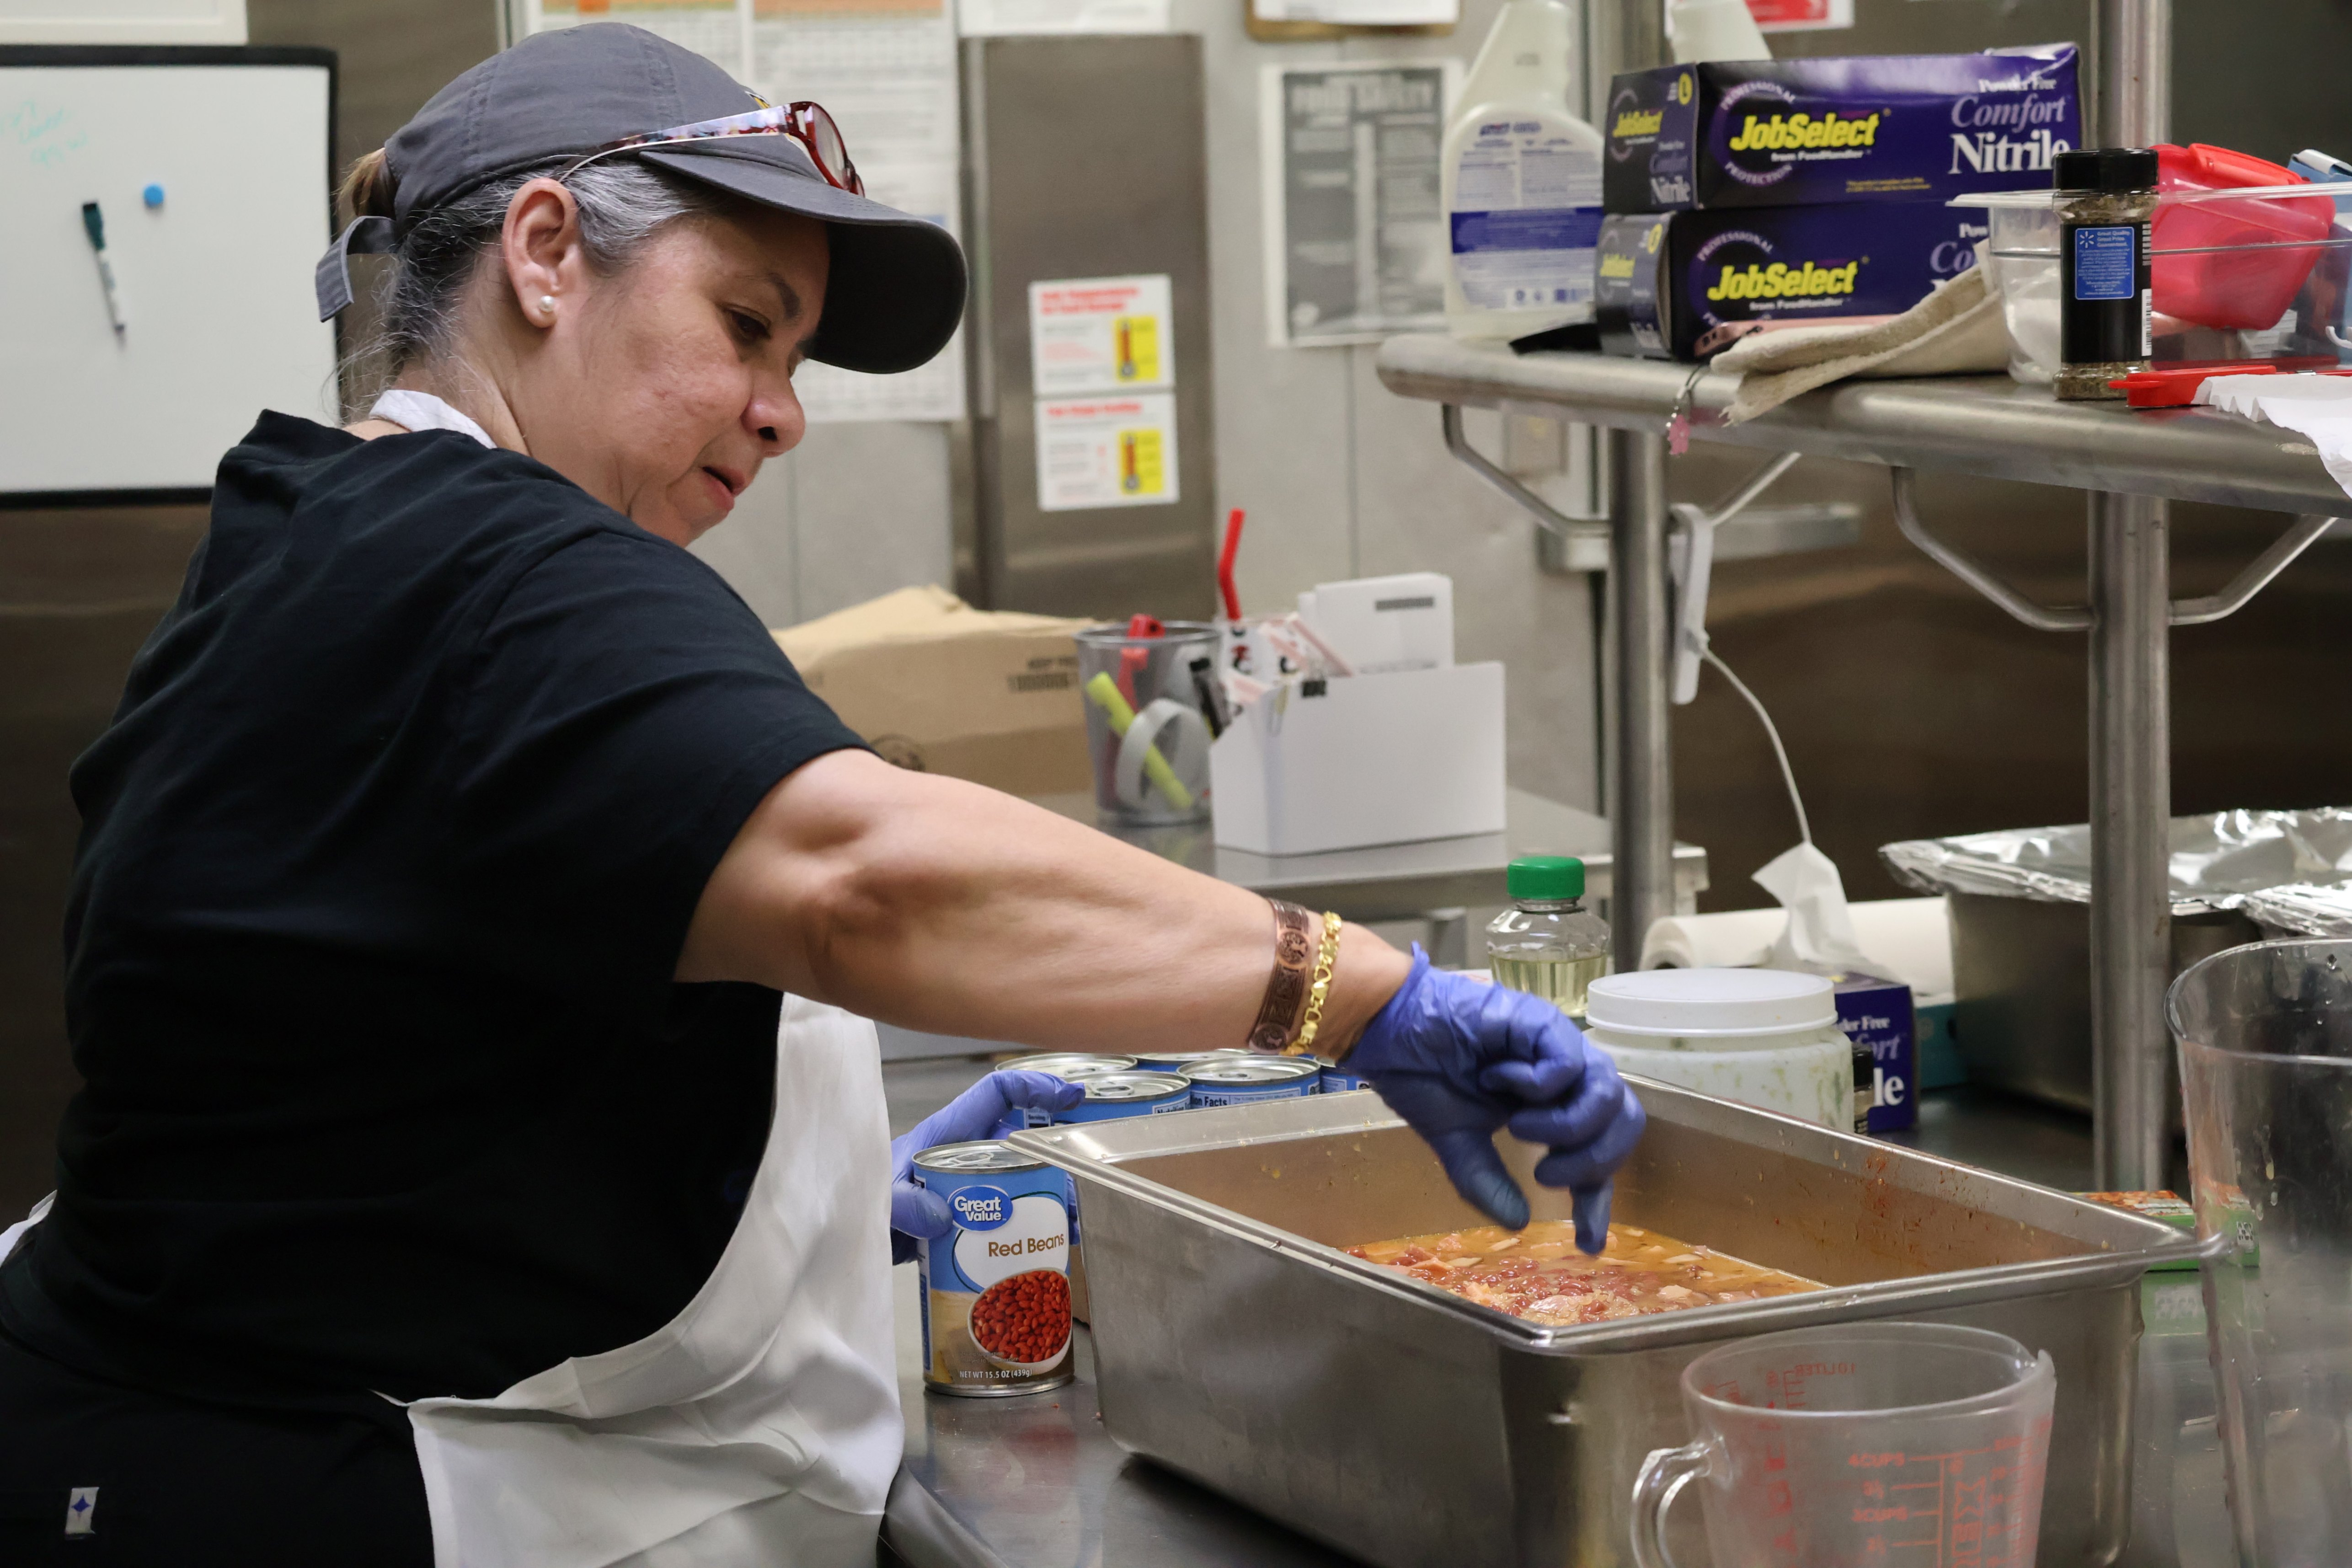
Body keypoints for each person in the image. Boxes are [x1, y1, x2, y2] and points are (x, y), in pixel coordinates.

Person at [0, 24, 1645, 1568]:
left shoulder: (316, 520)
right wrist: (1360, 995)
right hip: (306, 1492)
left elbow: (397, 1045)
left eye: (793, 358)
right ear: (548, 253)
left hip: (116, 1426)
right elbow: (869, 880)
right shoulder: (510, 569)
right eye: (745, 324)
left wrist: (815, 1205)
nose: (782, 413)